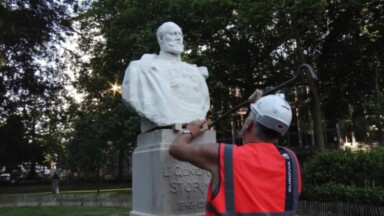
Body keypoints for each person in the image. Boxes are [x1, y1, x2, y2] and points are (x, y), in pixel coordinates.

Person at [169, 91, 302, 216]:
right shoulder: (290, 160)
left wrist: (189, 131)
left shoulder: (225, 156)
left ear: (249, 124)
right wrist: (261, 105)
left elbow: (176, 148)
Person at [122, 22, 210, 132]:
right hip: (165, 119)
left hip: (196, 116)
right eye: (173, 34)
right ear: (161, 38)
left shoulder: (195, 71)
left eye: (180, 34)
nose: (178, 38)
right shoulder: (140, 68)